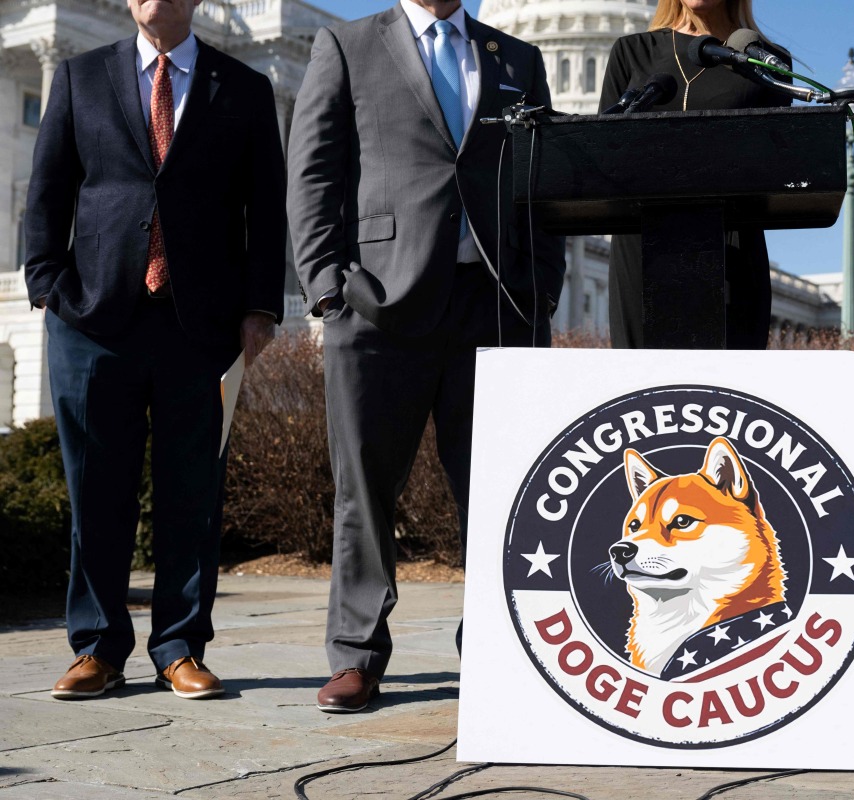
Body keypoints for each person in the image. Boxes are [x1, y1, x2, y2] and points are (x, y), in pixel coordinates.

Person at [288, 0, 565, 713]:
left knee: (501, 491)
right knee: (366, 491)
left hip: (494, 303)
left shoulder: (517, 60)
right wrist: (327, 291)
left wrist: (541, 290)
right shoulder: (346, 44)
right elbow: (313, 171)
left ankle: (497, 648)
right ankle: (356, 656)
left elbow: (547, 181)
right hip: (378, 305)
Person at [25, 0, 286, 700]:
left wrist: (261, 309)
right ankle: (97, 648)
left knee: (192, 497)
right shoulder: (81, 77)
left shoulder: (244, 87)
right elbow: (48, 188)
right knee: (95, 492)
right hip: (93, 321)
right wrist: (46, 283)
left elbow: (266, 206)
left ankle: (179, 647)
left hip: (199, 326)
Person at [598, 0, 790, 349]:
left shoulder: (766, 59)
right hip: (642, 248)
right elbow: (605, 155)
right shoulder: (632, 51)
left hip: (731, 247)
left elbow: (771, 166)